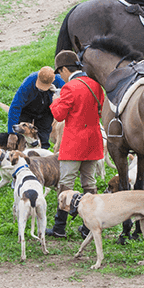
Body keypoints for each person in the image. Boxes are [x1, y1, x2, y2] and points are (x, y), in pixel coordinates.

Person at [46, 50, 105, 238]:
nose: (60, 77)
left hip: (74, 143)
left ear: (64, 69)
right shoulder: (96, 85)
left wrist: (55, 101)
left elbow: (59, 115)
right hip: (93, 141)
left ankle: (59, 227)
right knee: (90, 184)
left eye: (59, 72)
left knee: (66, 184)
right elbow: (101, 110)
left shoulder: (69, 87)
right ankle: (89, 227)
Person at [7, 66, 65, 150]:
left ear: (53, 80)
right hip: (27, 109)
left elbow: (68, 97)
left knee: (43, 137)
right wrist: (12, 133)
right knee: (21, 137)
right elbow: (15, 107)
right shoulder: (28, 83)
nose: (42, 89)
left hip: (46, 111)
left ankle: (42, 153)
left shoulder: (60, 81)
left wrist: (57, 92)